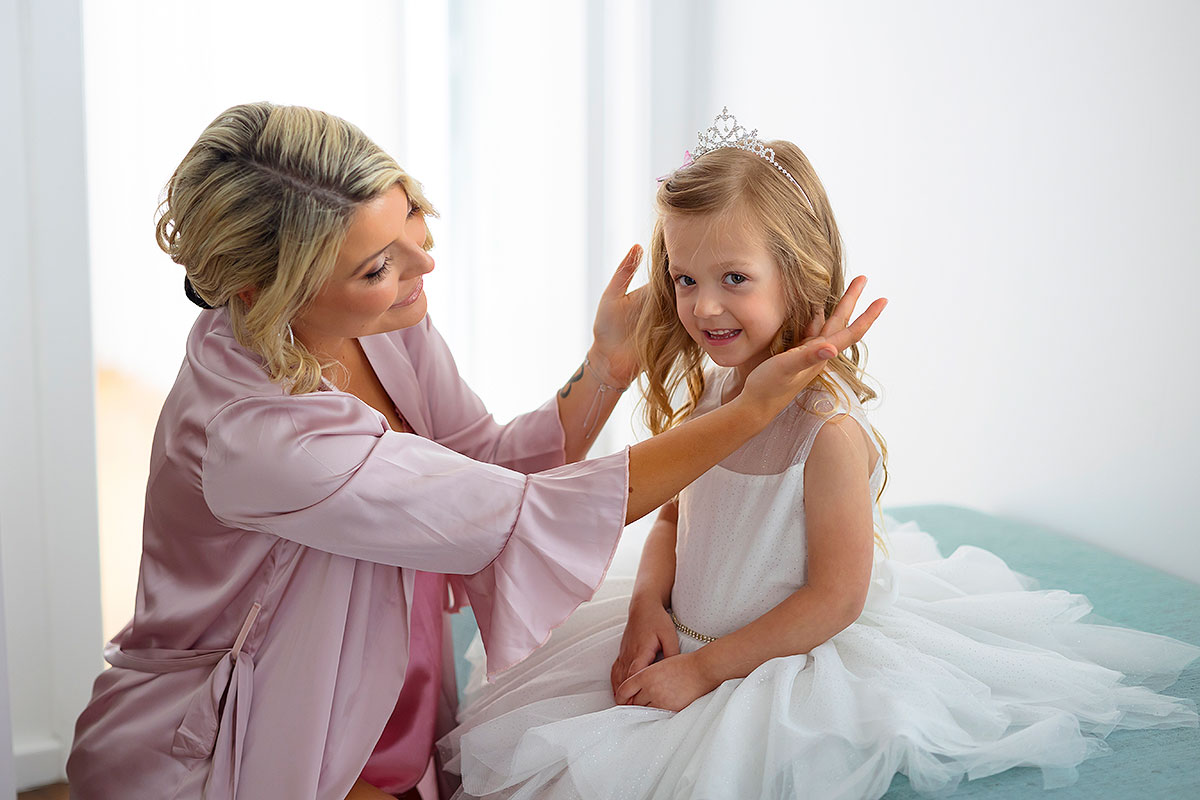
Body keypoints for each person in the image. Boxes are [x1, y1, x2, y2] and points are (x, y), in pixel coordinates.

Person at [64, 103, 883, 800]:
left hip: (391, 669)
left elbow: (484, 460)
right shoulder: (259, 435)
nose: (425, 265)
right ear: (264, 291)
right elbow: (518, 513)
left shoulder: (382, 317)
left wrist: (604, 369)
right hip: (264, 711)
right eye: (380, 264)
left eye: (411, 217)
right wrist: (751, 413)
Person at [439, 109, 1200, 799]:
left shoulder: (824, 430)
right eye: (685, 278)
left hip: (780, 659)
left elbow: (836, 598)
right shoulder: (716, 390)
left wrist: (702, 671)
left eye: (734, 278)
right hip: (685, 628)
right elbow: (674, 518)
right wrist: (646, 606)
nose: (704, 305)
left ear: (797, 276)